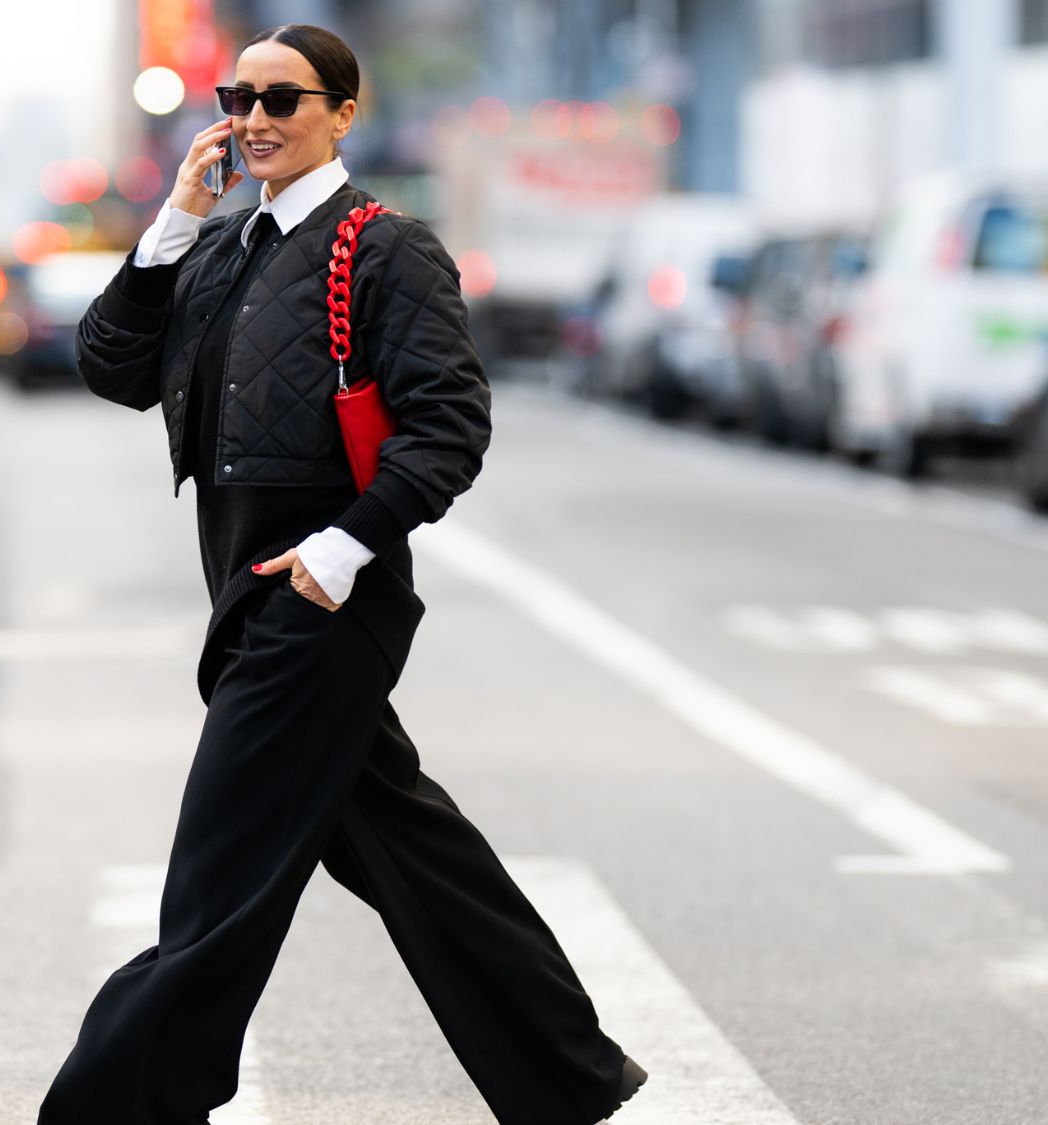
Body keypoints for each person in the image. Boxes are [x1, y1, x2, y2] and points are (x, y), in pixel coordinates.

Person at [37, 23, 647, 1125]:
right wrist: (174, 218)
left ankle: (109, 1107)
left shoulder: (385, 248)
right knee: (414, 856)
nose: (257, 119)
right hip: (245, 595)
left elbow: (447, 427)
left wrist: (335, 553)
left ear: (341, 112)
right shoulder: (221, 247)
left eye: (284, 99)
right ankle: (567, 1076)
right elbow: (109, 365)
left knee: (216, 885)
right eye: (241, 98)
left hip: (317, 606)